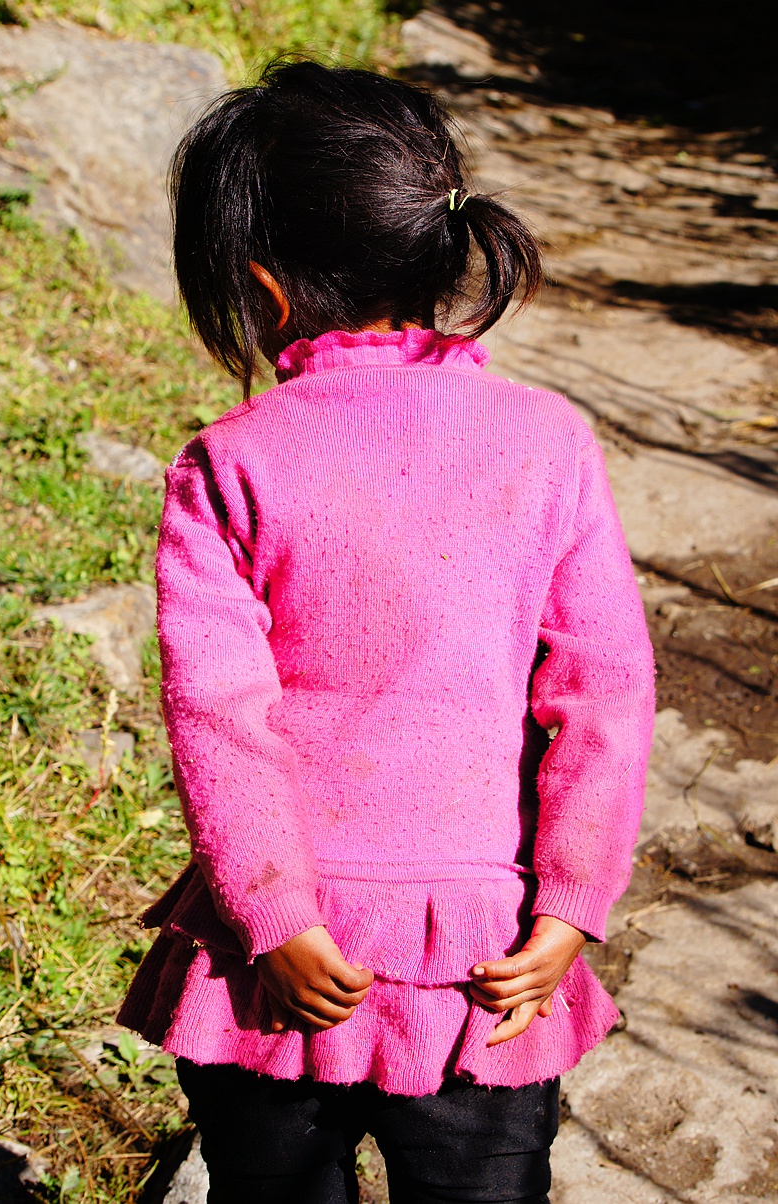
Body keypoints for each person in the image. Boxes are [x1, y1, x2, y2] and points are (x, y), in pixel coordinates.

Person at [118, 60, 655, 1203]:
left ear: (263, 291)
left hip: (277, 975)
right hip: (486, 968)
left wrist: (273, 914)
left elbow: (217, 715)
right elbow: (603, 693)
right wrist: (570, 903)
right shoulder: (548, 444)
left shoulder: (229, 464)